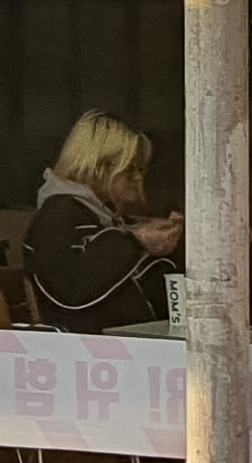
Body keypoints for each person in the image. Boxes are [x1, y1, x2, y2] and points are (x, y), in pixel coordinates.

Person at [26, 108, 184, 331]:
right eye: (129, 168)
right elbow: (70, 288)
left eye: (141, 169)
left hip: (134, 339)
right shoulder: (58, 214)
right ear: (96, 165)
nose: (138, 177)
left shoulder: (103, 216)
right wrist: (136, 240)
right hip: (95, 346)